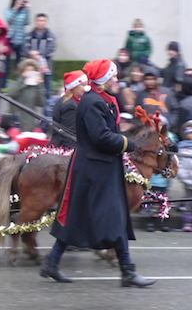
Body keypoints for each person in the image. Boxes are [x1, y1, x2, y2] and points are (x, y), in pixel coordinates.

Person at [42, 58, 155, 287]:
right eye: (113, 76)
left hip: (101, 167)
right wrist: (129, 144)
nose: (116, 80)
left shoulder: (103, 100)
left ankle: (52, 263)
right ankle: (127, 272)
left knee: (80, 216)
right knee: (115, 216)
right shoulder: (92, 102)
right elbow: (101, 137)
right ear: (103, 79)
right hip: (94, 168)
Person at [49, 70, 88, 149]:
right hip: (65, 149)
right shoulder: (70, 106)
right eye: (83, 85)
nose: (86, 88)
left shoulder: (67, 101)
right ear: (73, 87)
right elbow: (69, 135)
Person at [5, 58, 45, 132]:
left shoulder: (35, 86)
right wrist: (22, 79)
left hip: (30, 122)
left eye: (32, 70)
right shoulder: (17, 82)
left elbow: (41, 103)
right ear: (22, 71)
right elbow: (11, 93)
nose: (30, 73)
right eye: (27, 70)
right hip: (16, 121)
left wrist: (40, 85)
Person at [24, 13, 56, 98]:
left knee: (47, 90)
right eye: (39, 20)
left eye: (43, 20)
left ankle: (46, 110)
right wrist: (30, 53)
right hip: (32, 67)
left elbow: (51, 49)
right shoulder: (29, 35)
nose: (41, 22)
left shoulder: (50, 35)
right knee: (30, 90)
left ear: (46, 22)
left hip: (46, 68)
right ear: (35, 22)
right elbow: (24, 49)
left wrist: (38, 54)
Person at [4, 0, 30, 72]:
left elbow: (27, 22)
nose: (21, 1)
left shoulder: (25, 10)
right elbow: (9, 21)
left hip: (21, 39)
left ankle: (18, 81)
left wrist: (28, 10)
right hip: (10, 38)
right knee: (6, 63)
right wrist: (15, 9)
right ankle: (4, 82)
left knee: (19, 64)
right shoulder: (8, 9)